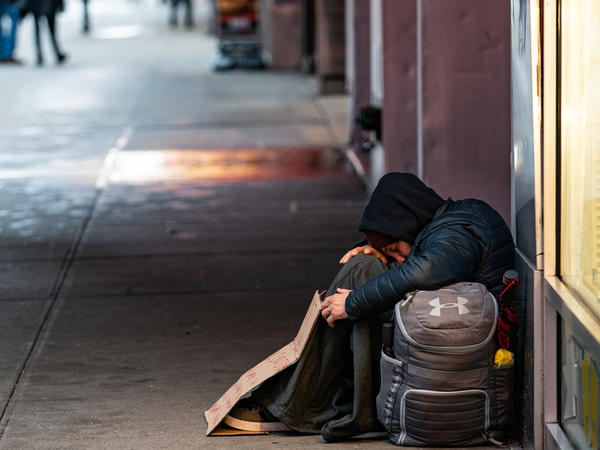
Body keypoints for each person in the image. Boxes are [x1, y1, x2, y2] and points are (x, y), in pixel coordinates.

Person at [232, 172, 515, 441]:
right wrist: (374, 248)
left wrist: (353, 302)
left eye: (394, 247)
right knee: (364, 266)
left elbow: (426, 270)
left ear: (410, 222)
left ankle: (306, 403)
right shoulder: (454, 219)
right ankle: (307, 400)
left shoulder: (456, 233)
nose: (397, 257)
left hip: (465, 352)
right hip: (452, 342)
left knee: (361, 276)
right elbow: (419, 256)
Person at [21, 0, 67, 65]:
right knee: (49, 31)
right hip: (43, 6)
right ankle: (52, 54)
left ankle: (41, 54)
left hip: (41, 6)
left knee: (43, 30)